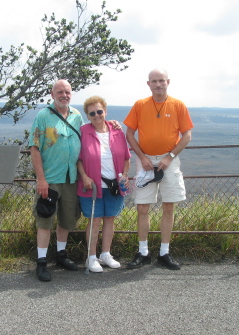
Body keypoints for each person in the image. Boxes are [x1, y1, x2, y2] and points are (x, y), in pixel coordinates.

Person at [29, 80, 122, 282]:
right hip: (51, 179)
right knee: (45, 220)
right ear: (52, 94)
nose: (64, 95)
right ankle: (42, 262)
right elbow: (34, 148)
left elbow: (92, 130)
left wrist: (112, 123)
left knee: (67, 219)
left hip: (72, 178)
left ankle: (61, 255)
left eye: (67, 92)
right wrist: (41, 179)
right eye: (60, 92)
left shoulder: (77, 115)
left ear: (71, 94)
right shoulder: (43, 116)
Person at [123, 68, 194, 270]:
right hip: (145, 162)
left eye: (161, 80)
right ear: (148, 84)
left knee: (169, 206)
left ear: (168, 82)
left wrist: (169, 157)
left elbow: (187, 135)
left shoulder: (178, 105)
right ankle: (143, 252)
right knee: (142, 207)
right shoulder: (140, 105)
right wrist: (142, 157)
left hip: (168, 162)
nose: (158, 84)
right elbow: (129, 134)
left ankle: (164, 252)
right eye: (154, 81)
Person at [77, 96, 131, 273]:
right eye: (92, 113)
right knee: (94, 221)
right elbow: (77, 159)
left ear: (105, 111)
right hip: (92, 186)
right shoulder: (83, 131)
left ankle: (105, 254)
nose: (97, 115)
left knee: (110, 219)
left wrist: (125, 176)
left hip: (114, 185)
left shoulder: (117, 131)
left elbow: (126, 158)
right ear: (88, 115)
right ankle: (91, 257)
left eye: (99, 111)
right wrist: (84, 176)